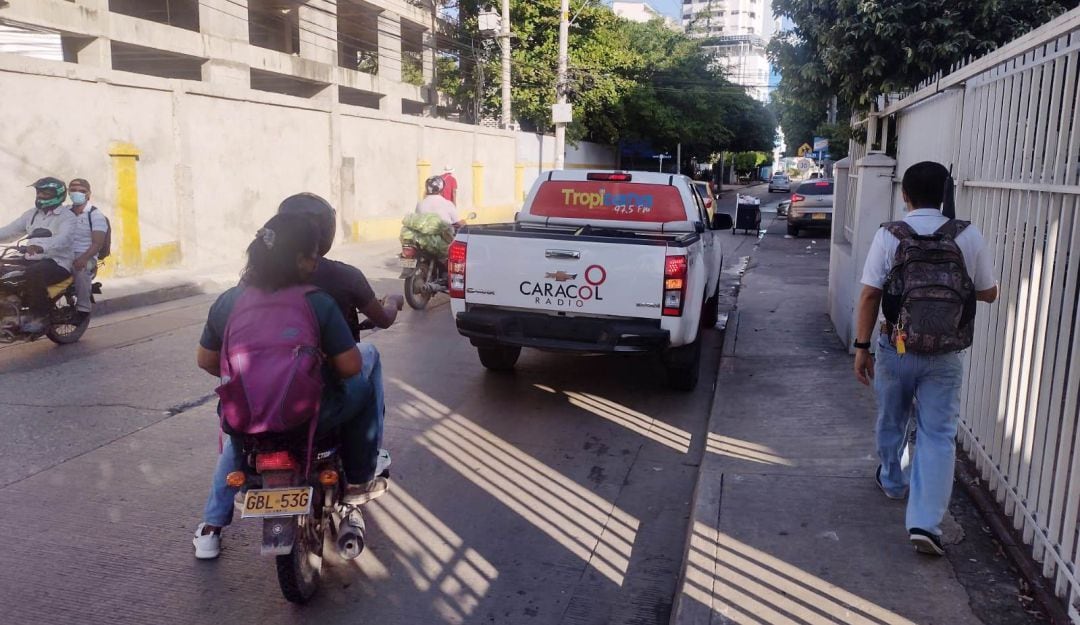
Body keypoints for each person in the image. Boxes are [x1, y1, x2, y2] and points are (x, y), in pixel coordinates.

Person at [192, 212, 387, 560]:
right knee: (368, 362)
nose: (315, 262)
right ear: (297, 260)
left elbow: (206, 361)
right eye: (312, 255)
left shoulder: (229, 301)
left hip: (245, 416)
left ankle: (211, 526)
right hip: (313, 415)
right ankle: (359, 475)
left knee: (241, 427)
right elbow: (350, 366)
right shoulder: (317, 302)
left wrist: (254, 383)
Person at [853, 161, 998, 556]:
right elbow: (987, 292)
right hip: (946, 354)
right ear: (945, 193)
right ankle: (925, 524)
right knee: (937, 435)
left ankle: (893, 480)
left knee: (891, 417)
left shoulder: (890, 236)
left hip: (895, 347)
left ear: (905, 194)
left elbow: (869, 295)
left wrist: (862, 347)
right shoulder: (967, 236)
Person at [0, 177, 76, 333]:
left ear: (58, 195)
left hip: (57, 262)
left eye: (46, 193)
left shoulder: (67, 217)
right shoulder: (32, 214)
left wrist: (41, 247)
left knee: (34, 273)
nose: (40, 196)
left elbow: (64, 238)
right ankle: (9, 310)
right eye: (39, 192)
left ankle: (38, 318)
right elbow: (10, 231)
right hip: (31, 259)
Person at [66, 178, 108, 320]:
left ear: (88, 194)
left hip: (88, 256)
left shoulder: (95, 215)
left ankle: (83, 309)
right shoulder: (64, 212)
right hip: (64, 254)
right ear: (68, 193)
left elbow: (97, 243)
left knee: (80, 270)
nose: (77, 193)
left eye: (82, 191)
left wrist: (83, 258)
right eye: (73, 190)